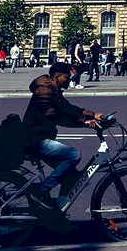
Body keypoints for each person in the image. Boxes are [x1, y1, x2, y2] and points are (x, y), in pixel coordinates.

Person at [23, 62, 111, 218]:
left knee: (70, 175)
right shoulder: (44, 90)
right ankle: (41, 190)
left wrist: (92, 115)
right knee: (73, 155)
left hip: (40, 137)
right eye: (66, 77)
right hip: (35, 139)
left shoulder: (53, 89)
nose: (69, 80)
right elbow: (56, 116)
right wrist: (84, 122)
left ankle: (56, 214)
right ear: (57, 77)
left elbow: (67, 108)